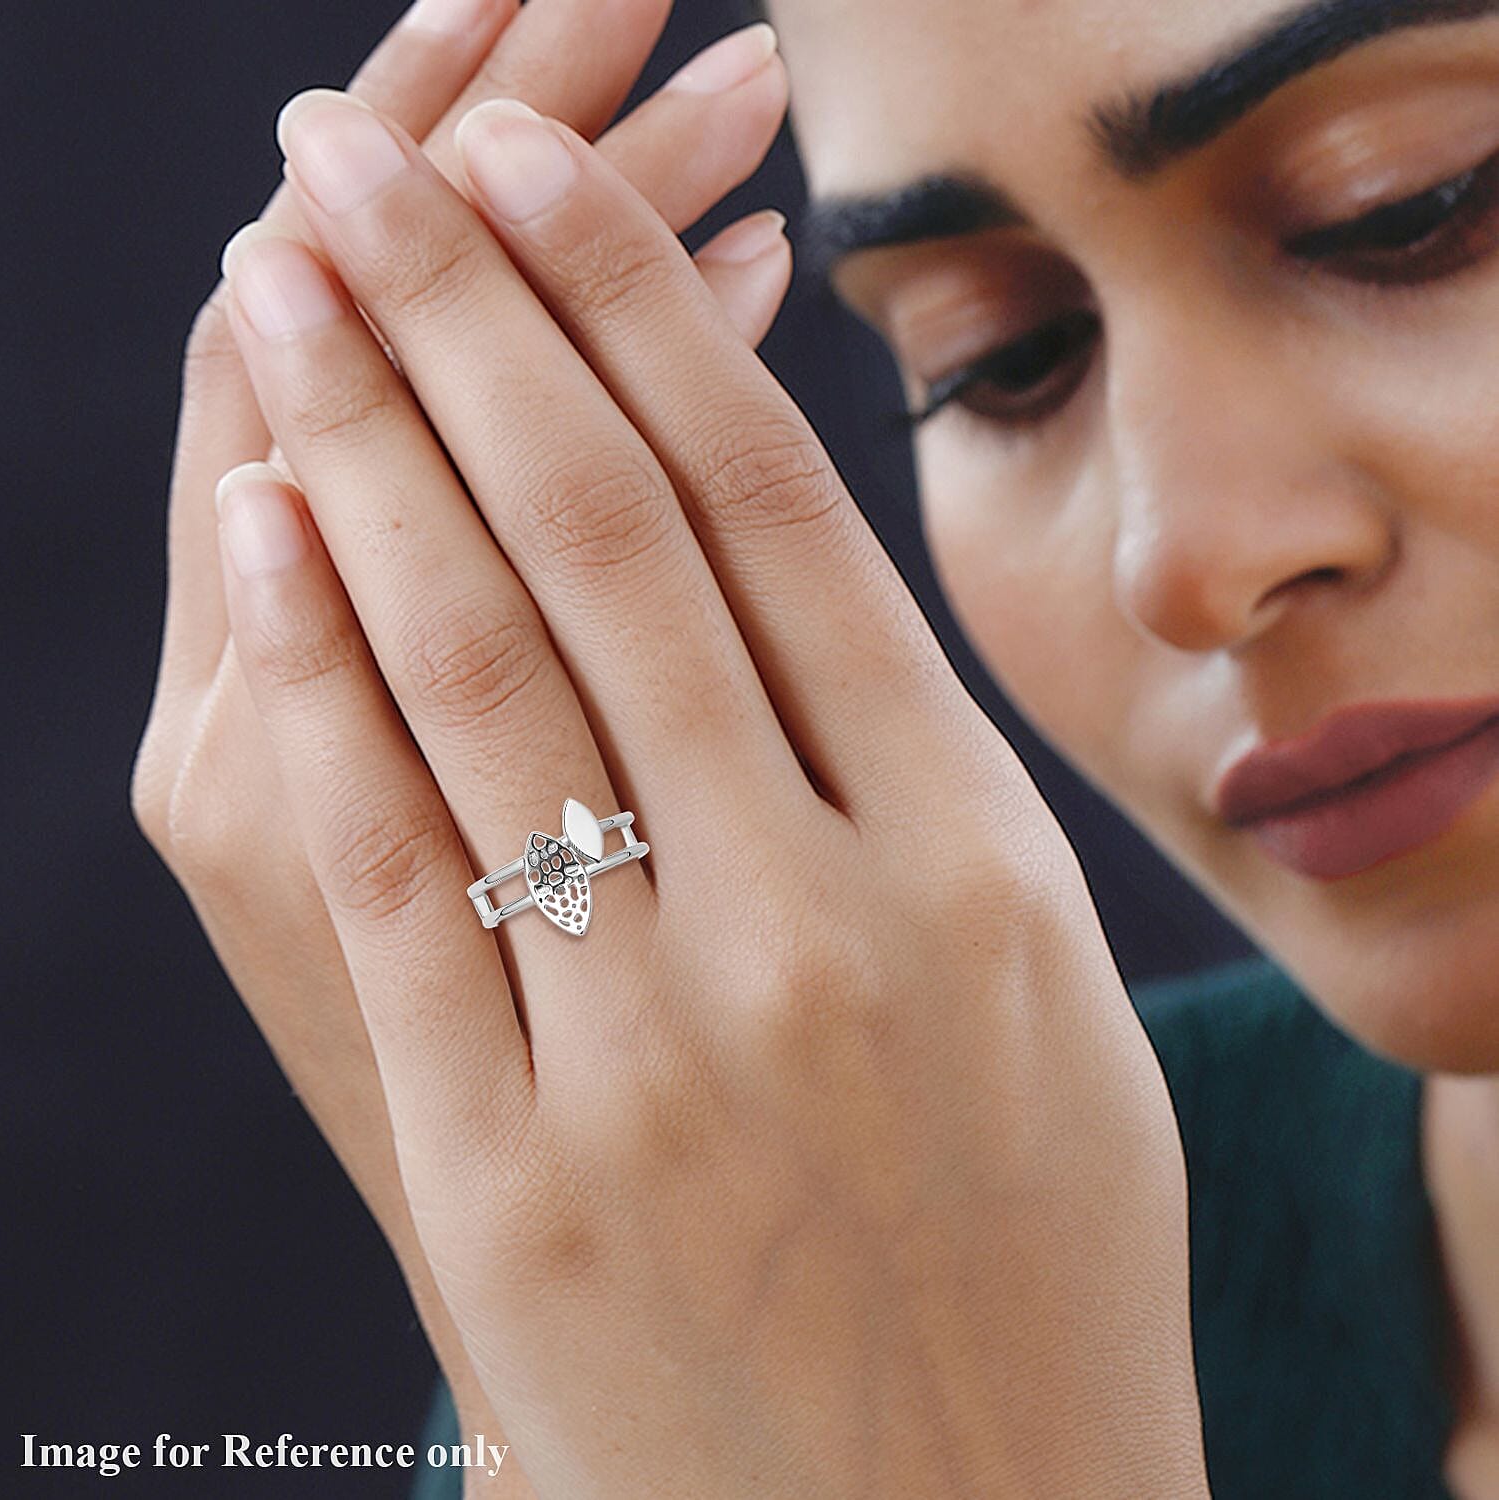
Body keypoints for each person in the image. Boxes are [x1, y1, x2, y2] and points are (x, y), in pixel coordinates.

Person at [129, 0, 1499, 1495]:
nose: (1179, 560)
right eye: (1003, 356)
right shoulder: (826, 1236)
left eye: (1410, 205)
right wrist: (571, 1365)